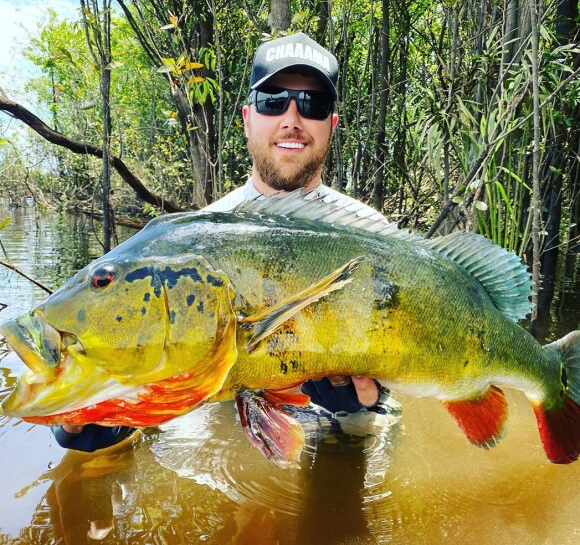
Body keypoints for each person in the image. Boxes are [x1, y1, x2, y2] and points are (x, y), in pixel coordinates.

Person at [53, 32, 398, 452]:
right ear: (247, 117)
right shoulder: (195, 241)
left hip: (338, 430)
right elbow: (161, 366)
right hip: (230, 436)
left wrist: (371, 399)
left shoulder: (373, 237)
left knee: (367, 450)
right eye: (274, 100)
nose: (292, 118)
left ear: (332, 123)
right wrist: (94, 416)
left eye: (312, 104)